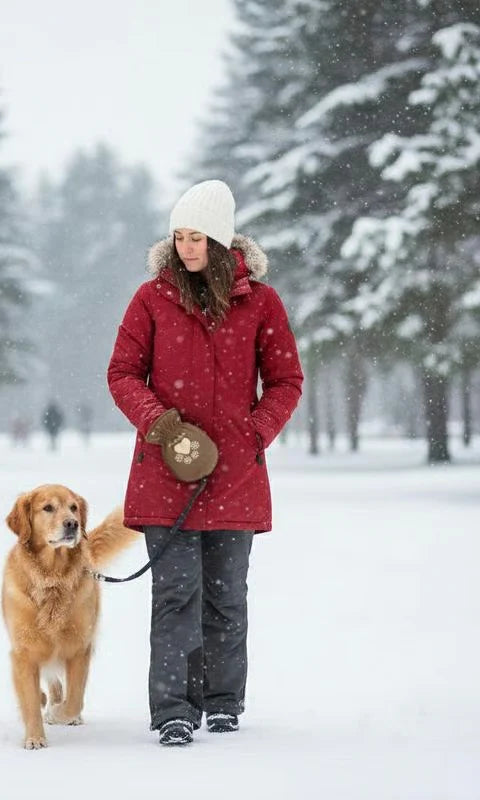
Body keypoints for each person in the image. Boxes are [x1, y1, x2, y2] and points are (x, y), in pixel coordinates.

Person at [107, 179, 303, 746]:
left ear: (220, 241)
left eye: (197, 237)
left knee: (225, 595)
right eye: (179, 237)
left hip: (236, 475)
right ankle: (173, 708)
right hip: (165, 472)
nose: (186, 247)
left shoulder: (261, 303)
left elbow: (286, 380)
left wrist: (255, 433)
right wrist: (162, 424)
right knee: (175, 595)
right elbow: (122, 373)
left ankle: (222, 702)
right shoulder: (151, 298)